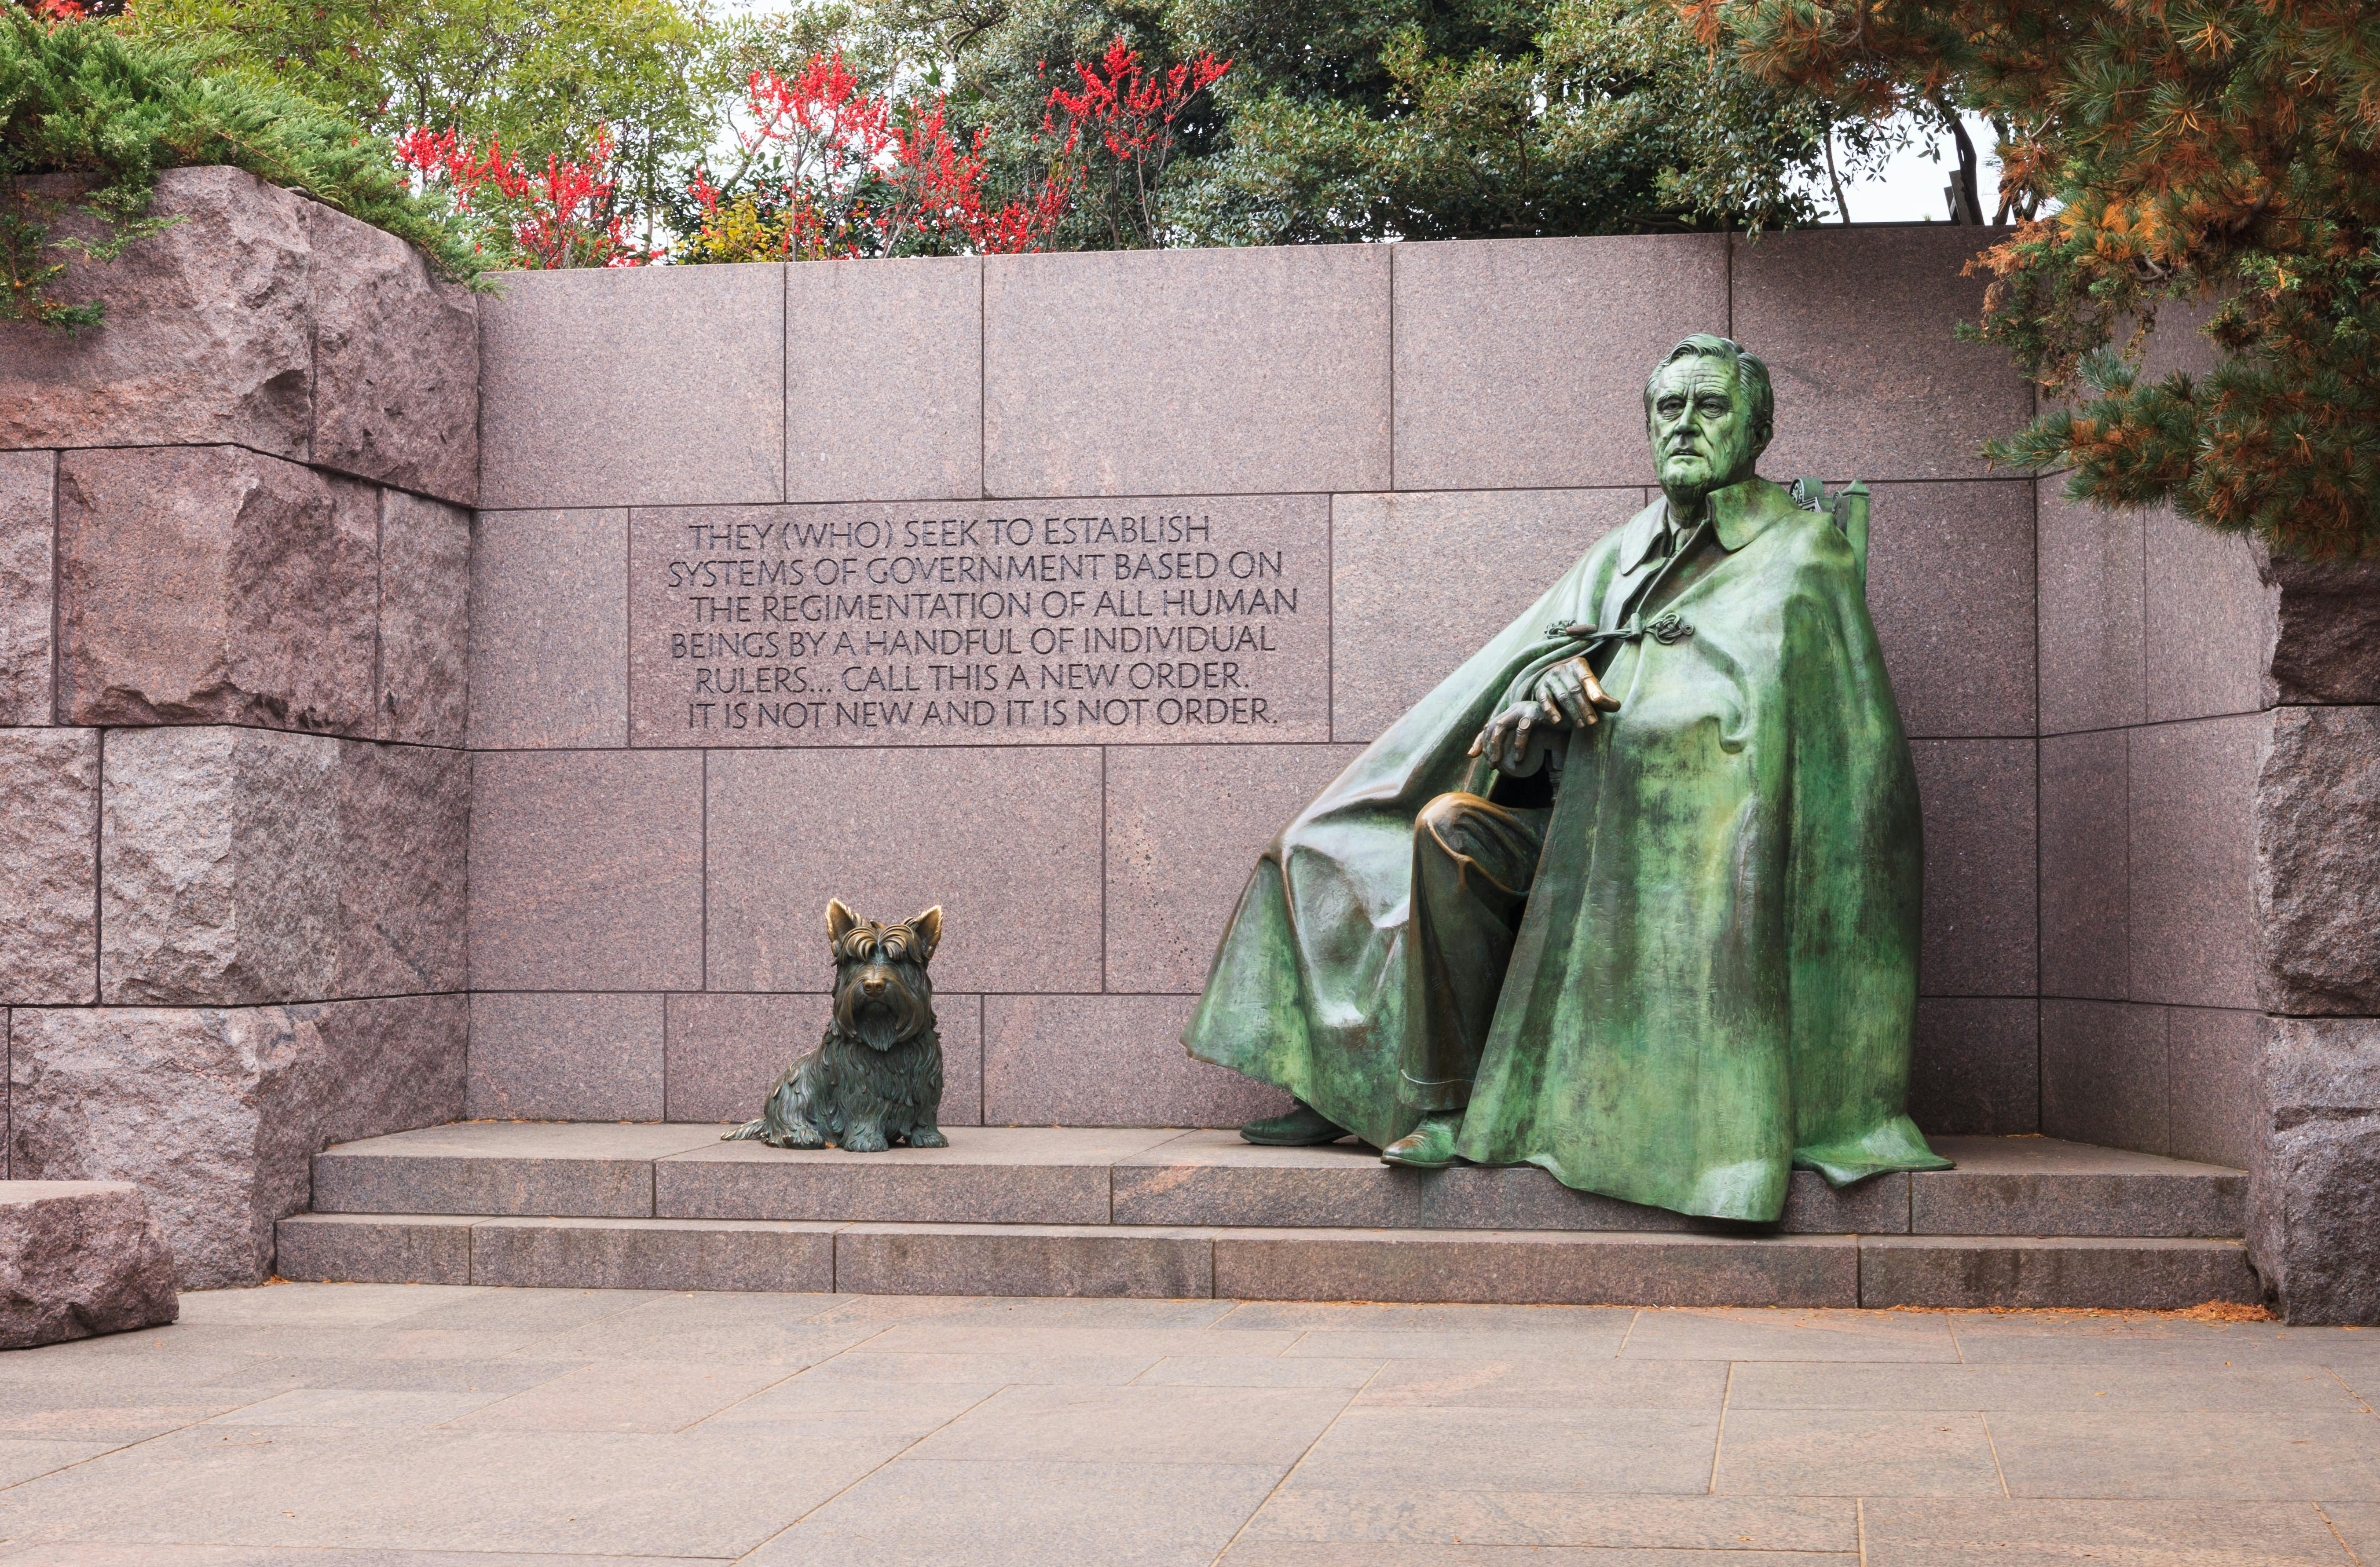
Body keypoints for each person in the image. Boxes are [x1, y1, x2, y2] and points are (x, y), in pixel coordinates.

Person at [1179, 333, 1949, 1223]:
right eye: (1669, 408)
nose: (1685, 426)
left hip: (1681, 851)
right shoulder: (1621, 548)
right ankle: (1417, 1096)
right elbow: (1529, 664)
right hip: (1561, 823)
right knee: (1409, 832)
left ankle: (1484, 1107)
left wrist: (1622, 707)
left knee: (1448, 837)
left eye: (1710, 407)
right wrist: (1537, 691)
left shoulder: (1801, 554)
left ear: (1759, 428)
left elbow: (1802, 748)